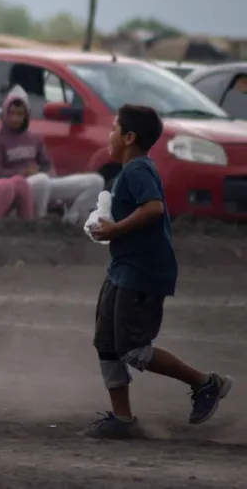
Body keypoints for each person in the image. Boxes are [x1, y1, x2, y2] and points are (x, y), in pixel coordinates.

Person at [84, 105, 233, 439]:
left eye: (113, 128)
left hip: (142, 273)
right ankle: (122, 420)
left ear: (129, 137)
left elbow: (153, 209)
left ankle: (206, 383)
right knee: (106, 342)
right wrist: (106, 225)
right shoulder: (131, 171)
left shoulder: (137, 170)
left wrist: (115, 230)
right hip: (122, 269)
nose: (109, 134)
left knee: (133, 349)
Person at [0, 88, 104, 224]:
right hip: (17, 187)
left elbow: (47, 165)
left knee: (95, 181)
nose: (16, 118)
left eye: (20, 114)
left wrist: (42, 171)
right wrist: (23, 173)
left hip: (43, 182)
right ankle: (39, 222)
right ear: (4, 115)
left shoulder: (33, 138)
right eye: (11, 114)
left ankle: (73, 219)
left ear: (26, 115)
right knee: (41, 180)